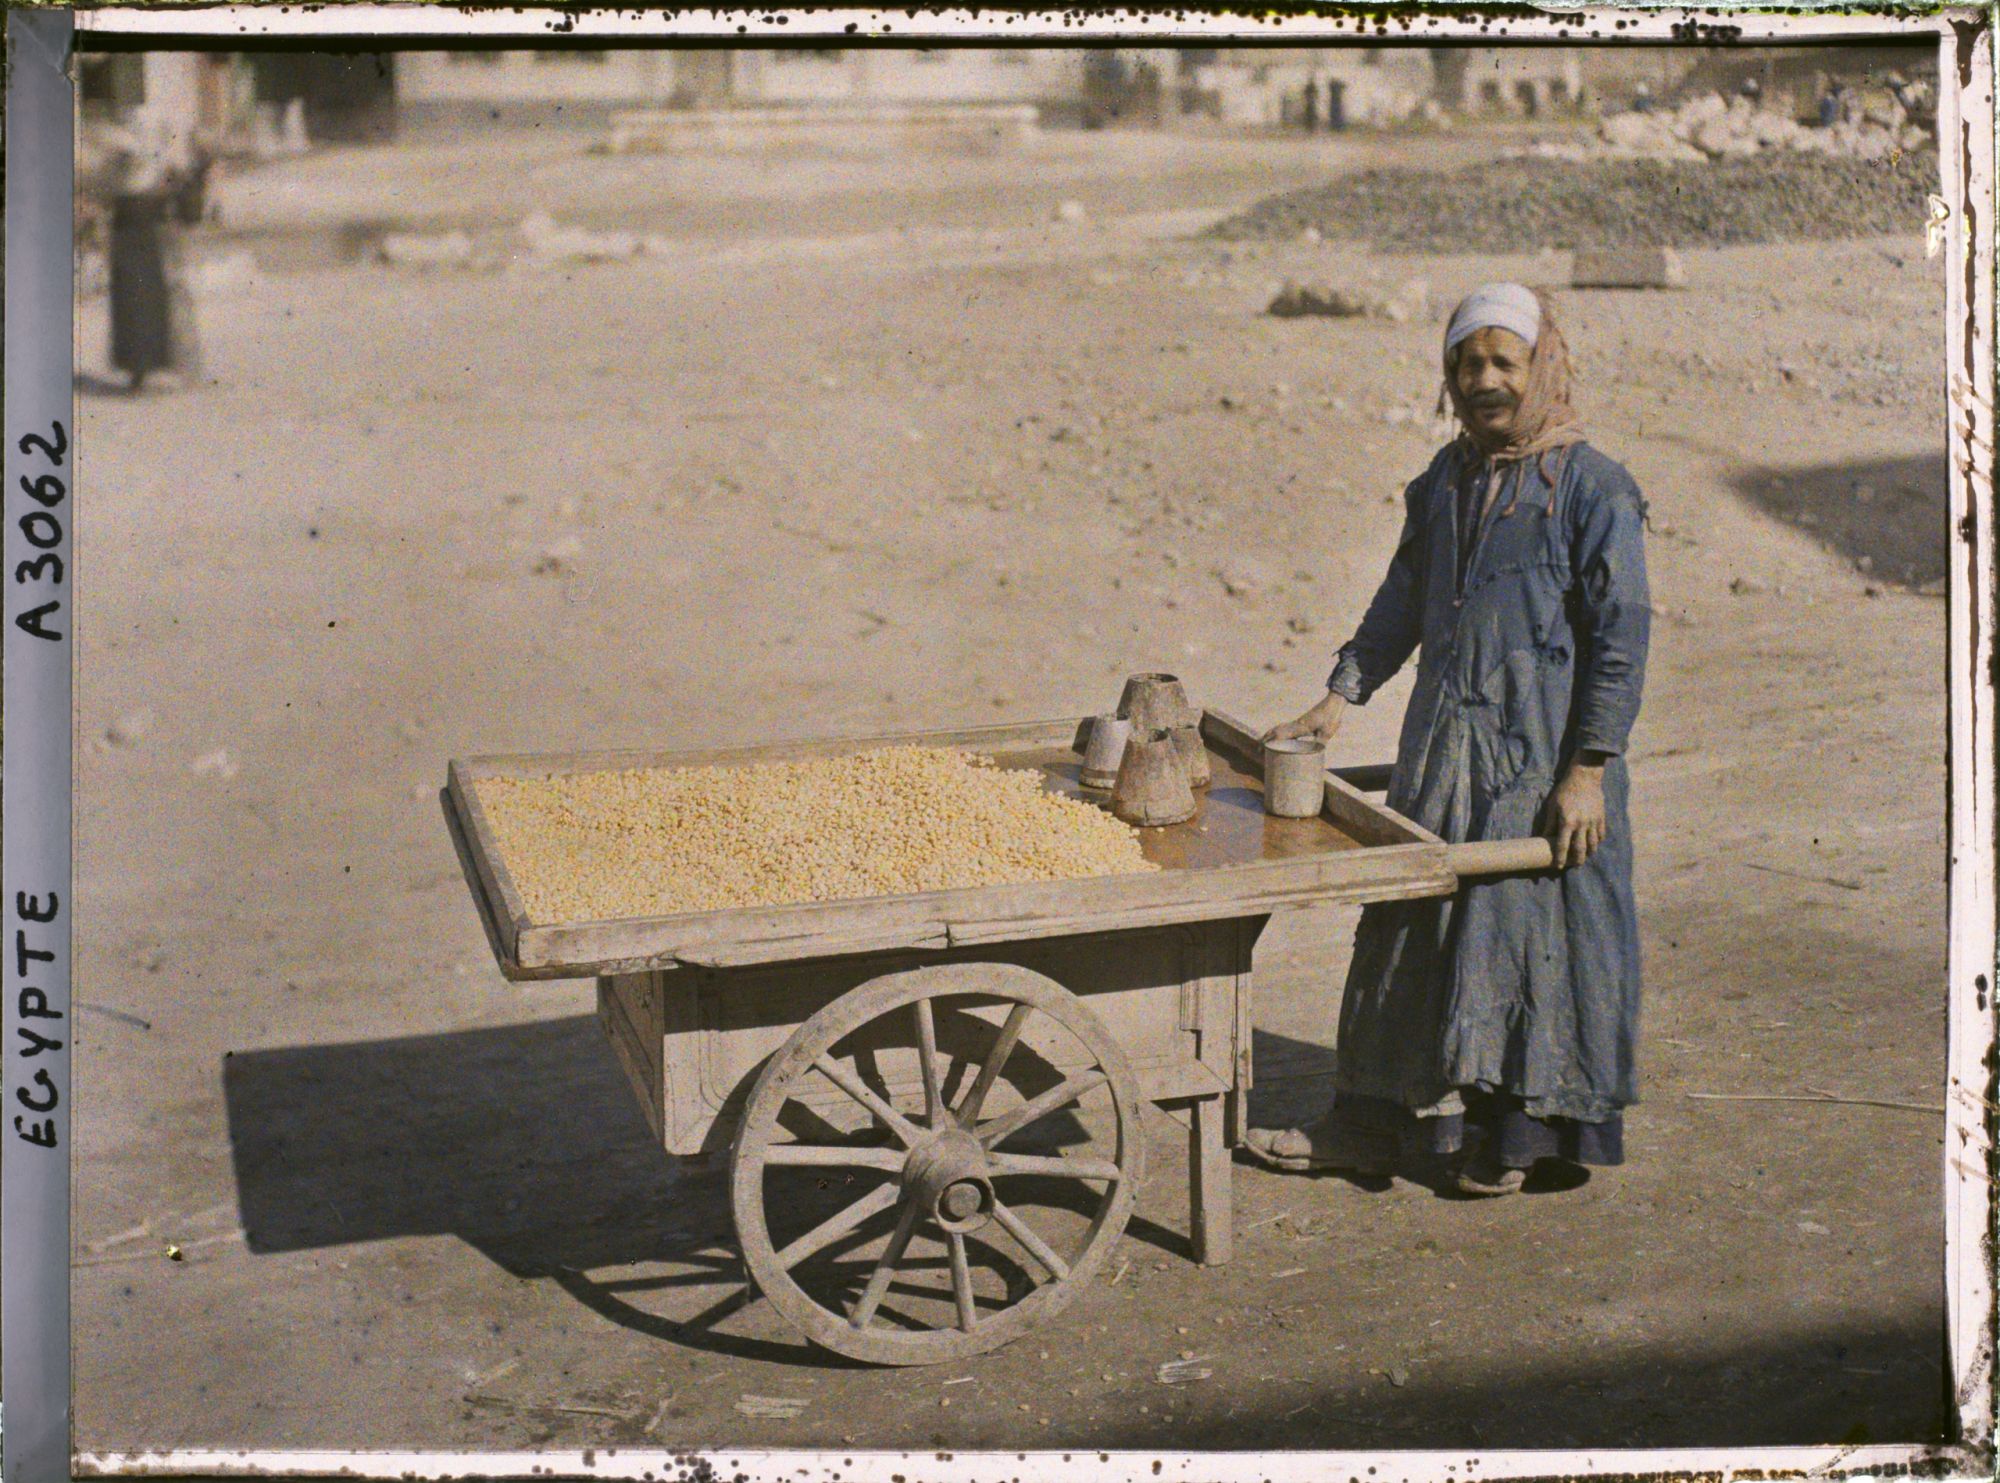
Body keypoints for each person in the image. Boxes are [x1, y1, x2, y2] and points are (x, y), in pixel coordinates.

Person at [1243, 283, 1651, 1197]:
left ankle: (1515, 1140)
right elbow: (1400, 600)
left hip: (1545, 758)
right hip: (1447, 748)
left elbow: (1623, 637)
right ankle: (1368, 1125)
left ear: (1541, 367)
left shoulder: (1595, 489)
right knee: (1407, 922)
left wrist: (1587, 769)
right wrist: (1340, 694)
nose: (1484, 380)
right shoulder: (1446, 480)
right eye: (1468, 363)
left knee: (1527, 932)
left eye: (1505, 361)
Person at [105, 112, 208, 392]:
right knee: (137, 303)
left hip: (148, 235)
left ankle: (156, 368)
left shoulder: (155, 163)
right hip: (134, 234)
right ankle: (141, 369)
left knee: (150, 303)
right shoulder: (126, 157)